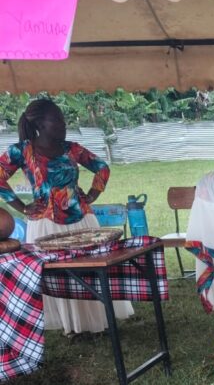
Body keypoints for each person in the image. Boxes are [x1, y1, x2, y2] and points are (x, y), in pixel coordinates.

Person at [0, 98, 133, 334]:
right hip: (46, 226)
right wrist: (22, 207)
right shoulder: (22, 150)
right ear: (40, 124)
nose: (63, 124)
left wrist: (92, 194)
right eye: (57, 120)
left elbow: (102, 167)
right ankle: (70, 325)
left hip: (82, 220)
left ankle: (97, 321)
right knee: (60, 276)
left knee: (91, 271)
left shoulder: (72, 148)